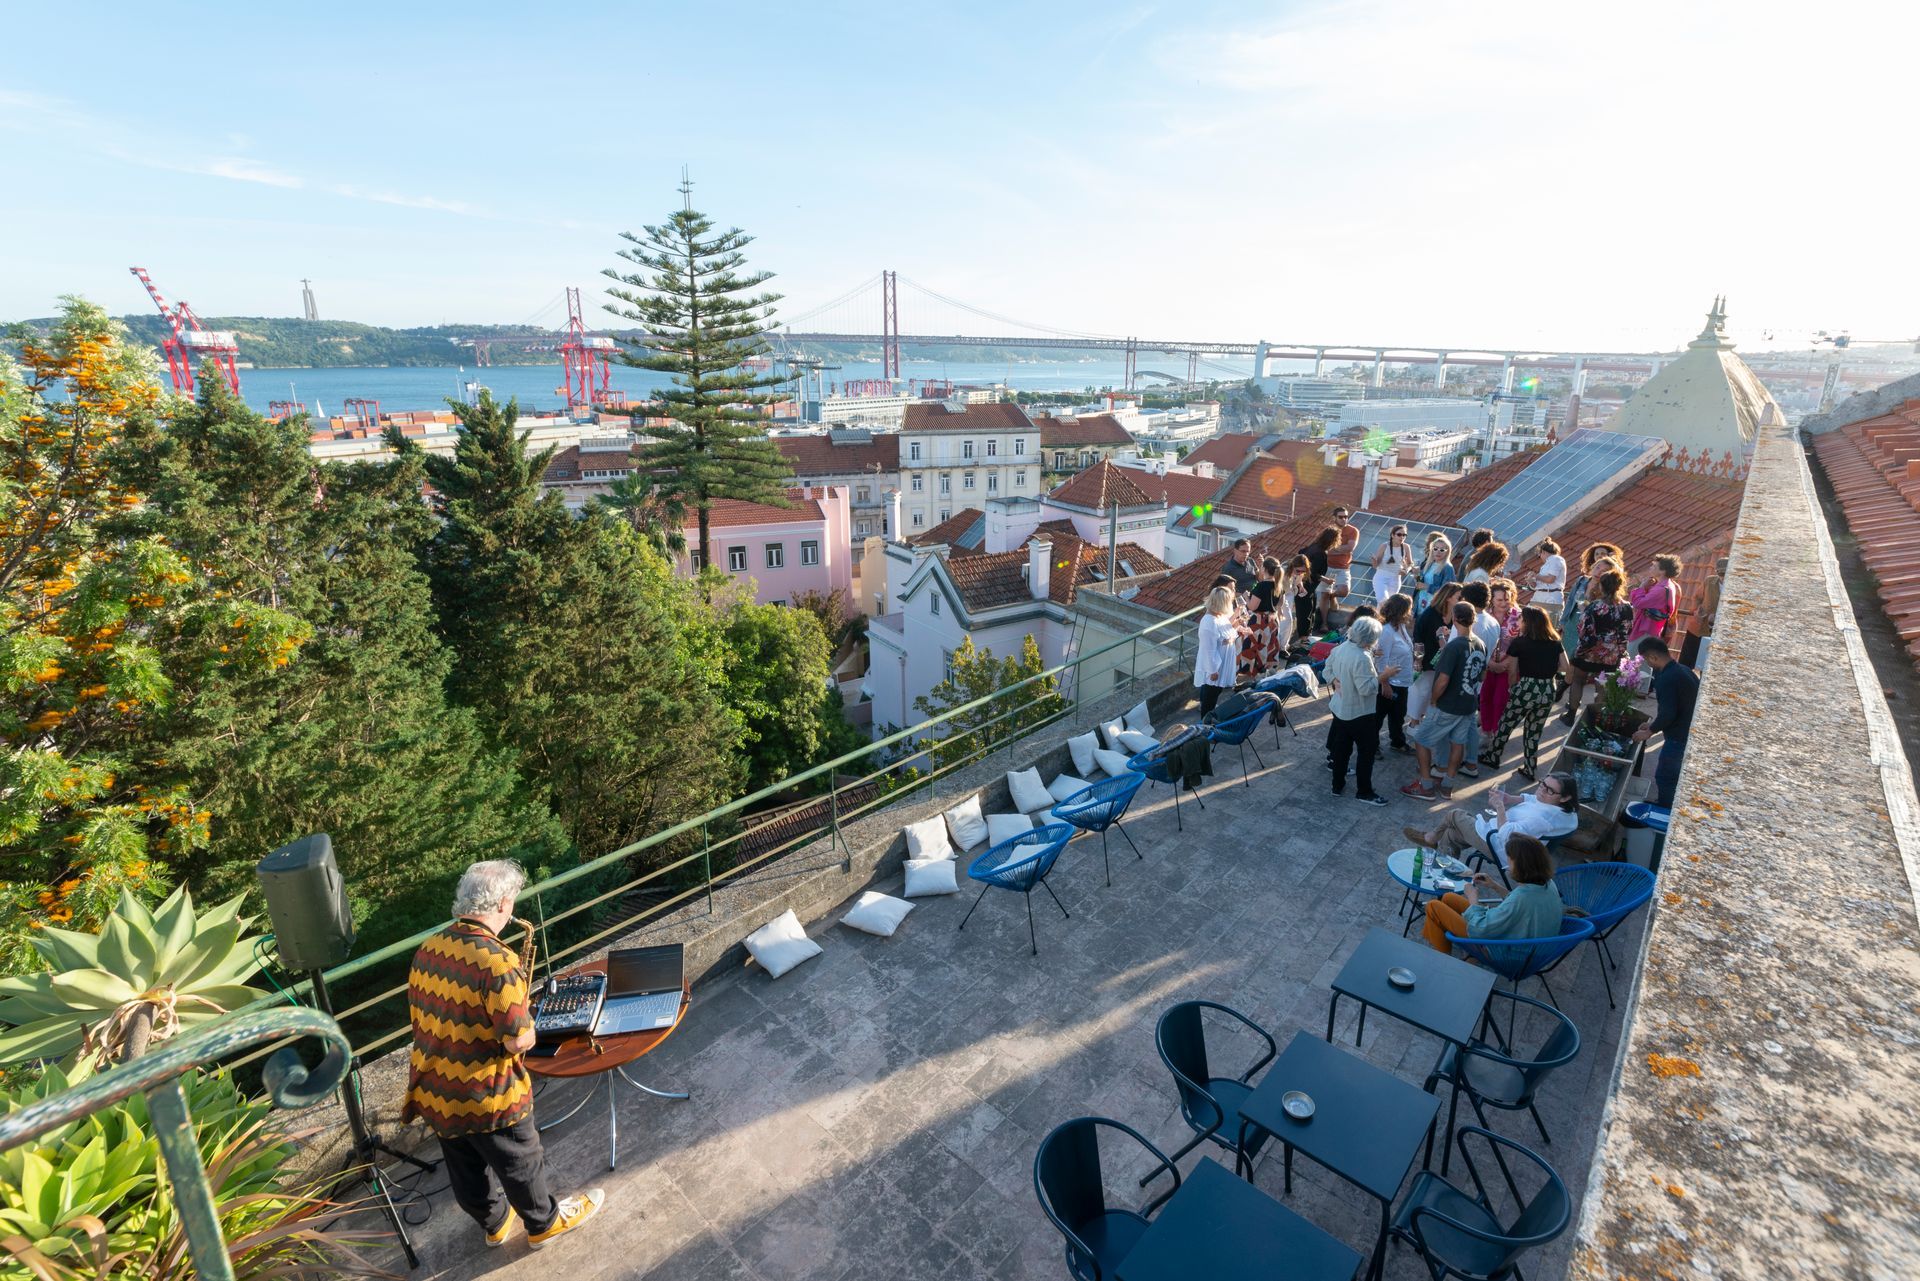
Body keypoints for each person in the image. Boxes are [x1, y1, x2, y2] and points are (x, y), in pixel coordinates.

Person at [403, 861, 606, 1251]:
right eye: (511, 902)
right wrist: (527, 1020)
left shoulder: (429, 949)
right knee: (520, 1159)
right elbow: (517, 1041)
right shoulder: (497, 962)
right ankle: (544, 1224)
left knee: (465, 1169)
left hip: (436, 1088)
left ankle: (494, 1223)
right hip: (487, 1095)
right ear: (502, 904)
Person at [1420, 834, 1567, 956]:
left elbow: (1480, 929)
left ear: (1521, 865)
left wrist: (1473, 898)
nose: (1507, 864)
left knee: (1433, 907)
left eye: (1509, 860)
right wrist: (1494, 886)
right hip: (1522, 941)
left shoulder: (1521, 898)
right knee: (1448, 898)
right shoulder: (1547, 883)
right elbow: (1518, 906)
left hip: (1504, 951)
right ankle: (1444, 940)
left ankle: (1442, 959)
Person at [1404, 773, 1580, 871]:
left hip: (1501, 848)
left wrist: (1500, 807)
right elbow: (1533, 799)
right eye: (1543, 784)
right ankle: (1444, 872)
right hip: (1498, 836)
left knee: (1455, 814)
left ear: (1565, 797)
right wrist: (1510, 798)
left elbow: (1507, 836)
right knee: (1451, 835)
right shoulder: (1560, 808)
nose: (1542, 790)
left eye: (1549, 790)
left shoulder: (1542, 820)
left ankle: (1431, 839)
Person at [1401, 601, 1487, 799]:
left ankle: (1426, 785)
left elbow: (1443, 679)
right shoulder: (1480, 644)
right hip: (1468, 705)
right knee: (1458, 744)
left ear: (1455, 619)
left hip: (1447, 704)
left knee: (1421, 740)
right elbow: (1482, 676)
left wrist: (1433, 700)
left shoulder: (1453, 646)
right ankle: (1447, 786)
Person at [1479, 605, 1570, 779]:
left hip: (1526, 686)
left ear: (1528, 623)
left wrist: (1513, 688)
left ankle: (1493, 757)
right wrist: (1549, 670)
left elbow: (1512, 671)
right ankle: (1529, 768)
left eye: (1521, 619)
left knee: (1506, 723)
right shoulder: (1555, 642)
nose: (1518, 621)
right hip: (1547, 688)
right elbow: (1566, 667)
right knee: (1534, 730)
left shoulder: (1519, 643)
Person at [1325, 615, 1391, 806]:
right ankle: (1364, 791)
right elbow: (1366, 689)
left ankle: (1337, 786)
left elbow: (1326, 671)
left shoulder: (1341, 648)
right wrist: (1383, 676)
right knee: (1366, 753)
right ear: (1371, 639)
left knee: (1341, 751)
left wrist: (1334, 680)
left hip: (1340, 710)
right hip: (1360, 713)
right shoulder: (1362, 657)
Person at [1632, 637, 1700, 807]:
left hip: (1679, 737)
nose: (1648, 664)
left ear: (1653, 657)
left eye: (1647, 660)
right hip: (1690, 731)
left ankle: (1664, 811)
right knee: (1677, 777)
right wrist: (1654, 724)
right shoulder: (1684, 670)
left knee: (1665, 777)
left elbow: (1669, 712)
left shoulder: (1666, 678)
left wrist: (1649, 731)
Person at [1561, 569, 1633, 724]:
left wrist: (1583, 612)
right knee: (1602, 686)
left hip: (1589, 652)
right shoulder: (1627, 607)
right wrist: (1620, 651)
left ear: (1601, 587)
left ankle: (1571, 715)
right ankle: (1596, 719)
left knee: (1578, 681)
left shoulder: (1594, 606)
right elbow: (1626, 631)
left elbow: (1584, 631)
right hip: (1611, 654)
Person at [1407, 582, 1464, 726]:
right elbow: (1418, 638)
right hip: (1426, 661)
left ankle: (1425, 720)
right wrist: (1418, 661)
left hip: (1444, 662)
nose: (1462, 600)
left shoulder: (1457, 615)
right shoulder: (1430, 614)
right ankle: (1414, 722)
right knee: (1421, 692)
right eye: (1459, 597)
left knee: (1435, 692)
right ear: (1448, 598)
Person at [1477, 578, 1522, 738]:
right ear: (1491, 599)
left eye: (1507, 599)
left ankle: (1497, 734)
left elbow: (1522, 644)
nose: (1504, 603)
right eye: (1500, 600)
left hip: (1508, 666)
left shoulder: (1519, 617)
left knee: (1500, 700)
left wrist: (1506, 663)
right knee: (1485, 698)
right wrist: (1490, 663)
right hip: (1486, 664)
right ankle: (1485, 731)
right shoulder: (1483, 616)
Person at [1562, 542, 1624, 659]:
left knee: (1578, 658)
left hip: (1588, 628)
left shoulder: (1605, 589)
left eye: (1604, 571)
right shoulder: (1581, 580)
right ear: (1593, 566)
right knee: (1564, 656)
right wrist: (1563, 621)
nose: (1599, 572)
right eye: (1598, 567)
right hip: (1572, 623)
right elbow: (1570, 600)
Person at [1375, 592, 1417, 753]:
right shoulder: (1386, 631)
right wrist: (1385, 684)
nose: (1411, 612)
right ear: (1402, 611)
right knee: (1378, 717)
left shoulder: (1400, 627)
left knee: (1398, 715)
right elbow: (1381, 659)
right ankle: (1372, 746)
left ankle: (1397, 742)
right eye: (1409, 609)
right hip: (1391, 683)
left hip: (1402, 681)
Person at [1193, 585, 1243, 716]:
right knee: (1210, 698)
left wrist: (1238, 627)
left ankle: (1208, 722)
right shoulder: (1209, 622)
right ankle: (1205, 724)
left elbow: (1225, 634)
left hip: (1221, 664)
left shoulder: (1219, 617)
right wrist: (1213, 670)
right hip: (1215, 667)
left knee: (1214, 694)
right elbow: (1208, 650)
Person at [1237, 556, 1283, 679]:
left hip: (1259, 621)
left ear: (1265, 569)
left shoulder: (1261, 586)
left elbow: (1252, 606)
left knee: (1255, 647)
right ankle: (1267, 671)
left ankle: (1256, 673)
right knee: (1269, 645)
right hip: (1272, 620)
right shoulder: (1278, 585)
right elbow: (1280, 604)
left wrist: (1246, 597)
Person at [1627, 554, 1684, 649]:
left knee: (1634, 657)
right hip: (1653, 629)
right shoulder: (1669, 585)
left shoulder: (1660, 589)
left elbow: (1638, 603)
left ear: (1663, 571)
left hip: (1645, 630)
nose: (1650, 567)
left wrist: (1641, 588)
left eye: (1654, 566)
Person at [1681, 556, 1726, 669]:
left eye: (1725, 574)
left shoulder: (1735, 588)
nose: (1722, 577)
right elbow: (1697, 598)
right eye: (1720, 574)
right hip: (1698, 628)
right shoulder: (1709, 581)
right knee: (1686, 662)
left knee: (1707, 666)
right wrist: (1696, 610)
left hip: (1717, 632)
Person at [1298, 526, 1337, 635]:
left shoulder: (1313, 546)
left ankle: (1305, 636)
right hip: (1307, 587)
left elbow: (1300, 552)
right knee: (1306, 614)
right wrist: (1327, 580)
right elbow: (1313, 573)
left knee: (1308, 611)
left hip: (1303, 585)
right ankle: (1304, 638)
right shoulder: (1321, 553)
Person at [1322, 505, 1359, 616]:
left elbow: (1350, 548)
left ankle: (1332, 596)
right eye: (1341, 517)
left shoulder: (1353, 531)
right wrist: (1341, 550)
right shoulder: (1329, 531)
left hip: (1343, 567)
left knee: (1344, 591)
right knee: (1324, 595)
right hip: (1327, 565)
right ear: (1334, 518)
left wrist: (1334, 549)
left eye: (1346, 517)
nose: (1344, 519)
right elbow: (1324, 549)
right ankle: (1324, 624)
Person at [1371, 525, 1414, 605]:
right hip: (1381, 577)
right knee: (1383, 601)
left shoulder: (1406, 547)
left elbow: (1410, 563)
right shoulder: (1385, 546)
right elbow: (1376, 565)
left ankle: (1379, 617)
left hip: (1395, 578)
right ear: (1392, 535)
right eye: (1399, 534)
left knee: (1389, 604)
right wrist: (1374, 561)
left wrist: (1406, 570)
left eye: (1404, 535)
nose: (1402, 537)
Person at [1275, 554, 1310, 657]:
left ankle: (1281, 646)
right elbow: (1278, 587)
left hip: (1290, 594)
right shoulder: (1283, 570)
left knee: (1284, 622)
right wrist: (1279, 605)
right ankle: (1281, 648)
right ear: (1293, 566)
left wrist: (1301, 587)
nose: (1300, 573)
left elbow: (1298, 580)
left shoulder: (1298, 572)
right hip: (1282, 596)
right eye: (1298, 571)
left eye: (1303, 571)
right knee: (1288, 621)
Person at [1416, 534, 1456, 612]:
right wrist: (1417, 576)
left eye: (1442, 550)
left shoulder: (1447, 568)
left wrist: (1427, 587)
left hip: (1435, 606)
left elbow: (1447, 591)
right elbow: (1422, 582)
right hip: (1422, 602)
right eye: (1435, 548)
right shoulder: (1430, 564)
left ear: (1447, 552)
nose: (1438, 552)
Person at [1528, 538, 1567, 612]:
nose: (1540, 557)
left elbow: (1550, 579)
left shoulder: (1556, 559)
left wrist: (1536, 576)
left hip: (1550, 597)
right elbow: (1539, 584)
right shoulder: (1547, 564)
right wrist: (1531, 581)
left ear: (1543, 552)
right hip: (1540, 597)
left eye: (1540, 554)